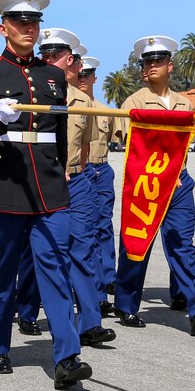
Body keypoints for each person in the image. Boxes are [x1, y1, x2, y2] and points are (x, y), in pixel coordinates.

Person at [0, 0, 91, 390]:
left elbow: (60, 133)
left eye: (34, 22)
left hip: (48, 189)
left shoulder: (52, 76)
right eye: (19, 22)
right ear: (3, 29)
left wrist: (61, 170)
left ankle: (67, 356)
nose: (28, 28)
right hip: (4, 185)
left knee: (55, 269)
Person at [113, 36, 195, 336]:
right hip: (146, 184)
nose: (151, 66)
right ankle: (126, 305)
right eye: (147, 62)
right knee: (137, 244)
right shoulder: (133, 102)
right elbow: (128, 145)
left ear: (170, 65)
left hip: (178, 182)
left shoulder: (185, 103)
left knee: (182, 244)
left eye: (157, 61)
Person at [15, 27, 115, 348]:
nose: (48, 60)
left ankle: (89, 323)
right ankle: (28, 311)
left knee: (82, 249)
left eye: (55, 55)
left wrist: (77, 170)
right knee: (38, 250)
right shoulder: (34, 95)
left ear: (69, 59)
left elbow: (85, 146)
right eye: (44, 54)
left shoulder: (83, 101)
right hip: (44, 180)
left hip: (78, 180)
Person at [77, 55, 121, 314]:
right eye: (79, 75)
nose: (82, 79)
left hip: (101, 168)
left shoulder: (106, 111)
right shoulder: (70, 105)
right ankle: (88, 282)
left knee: (103, 225)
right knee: (82, 229)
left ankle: (108, 277)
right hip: (78, 169)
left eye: (87, 75)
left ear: (94, 78)